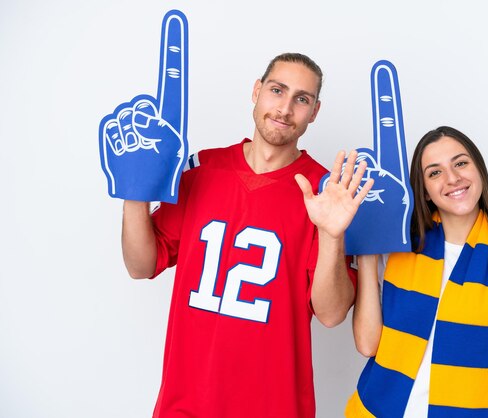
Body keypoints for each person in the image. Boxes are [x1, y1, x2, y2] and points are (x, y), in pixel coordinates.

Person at [121, 52, 374, 418]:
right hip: (186, 403)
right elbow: (141, 265)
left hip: (275, 406)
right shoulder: (202, 169)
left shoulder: (324, 193)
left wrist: (332, 235)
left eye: (301, 99)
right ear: (257, 91)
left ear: (315, 111)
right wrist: (135, 191)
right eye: (277, 90)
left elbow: (332, 314)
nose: (285, 108)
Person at [346, 126, 488, 418]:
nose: (452, 178)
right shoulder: (398, 246)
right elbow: (367, 343)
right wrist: (369, 249)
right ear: (423, 190)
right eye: (435, 172)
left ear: (479, 171)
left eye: (460, 163)